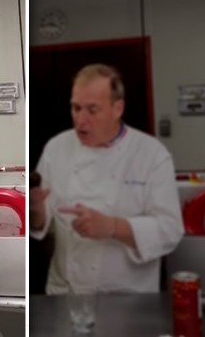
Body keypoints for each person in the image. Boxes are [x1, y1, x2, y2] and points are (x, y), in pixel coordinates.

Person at [29, 63, 184, 294]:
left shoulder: (151, 154)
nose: (81, 120)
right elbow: (41, 222)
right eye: (76, 108)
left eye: (92, 110)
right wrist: (36, 210)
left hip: (128, 298)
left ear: (117, 108)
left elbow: (170, 230)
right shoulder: (57, 148)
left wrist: (113, 227)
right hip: (66, 294)